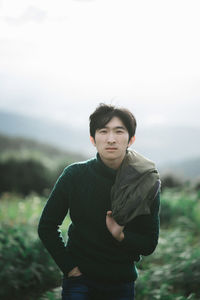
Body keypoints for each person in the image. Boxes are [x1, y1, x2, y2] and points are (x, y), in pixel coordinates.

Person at [38, 103, 161, 300]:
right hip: (80, 282)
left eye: (119, 131)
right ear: (92, 139)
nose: (111, 139)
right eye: (103, 131)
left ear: (131, 139)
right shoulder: (75, 175)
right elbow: (47, 226)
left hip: (121, 284)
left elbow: (149, 243)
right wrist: (69, 268)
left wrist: (121, 236)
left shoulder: (145, 182)